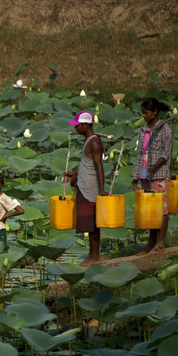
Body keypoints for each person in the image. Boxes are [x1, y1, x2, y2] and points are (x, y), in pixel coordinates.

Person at [64, 111, 107, 266]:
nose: (75, 128)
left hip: (90, 186)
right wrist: (74, 173)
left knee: (93, 222)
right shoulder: (89, 140)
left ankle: (95, 256)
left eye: (77, 125)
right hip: (84, 184)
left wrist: (102, 190)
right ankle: (91, 254)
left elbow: (99, 166)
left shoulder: (94, 142)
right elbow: (87, 164)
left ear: (85, 125)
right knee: (89, 223)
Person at [131, 98, 173, 255]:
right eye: (142, 113)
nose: (144, 116)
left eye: (146, 113)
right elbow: (140, 154)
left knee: (162, 209)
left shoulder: (165, 129)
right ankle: (151, 243)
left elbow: (166, 153)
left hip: (159, 175)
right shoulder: (143, 130)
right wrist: (136, 176)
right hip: (145, 175)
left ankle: (160, 243)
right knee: (151, 210)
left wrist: (154, 166)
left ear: (155, 112)